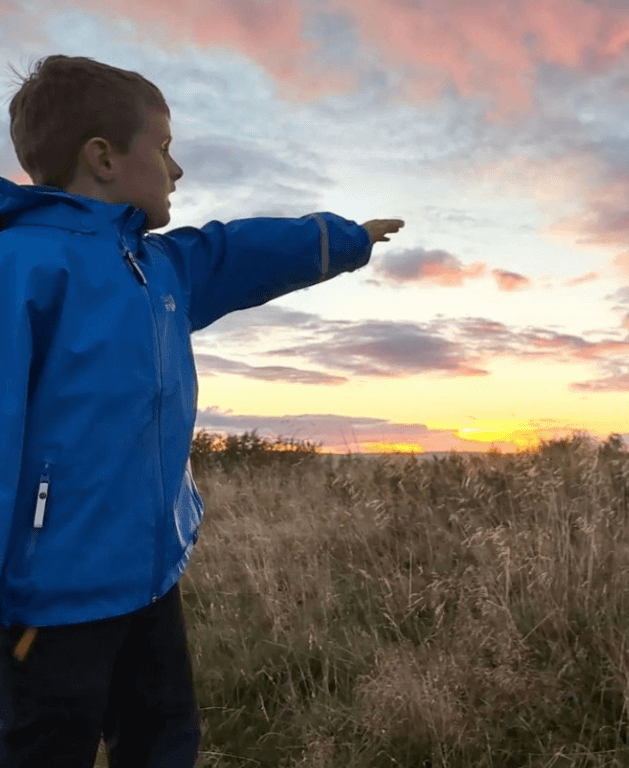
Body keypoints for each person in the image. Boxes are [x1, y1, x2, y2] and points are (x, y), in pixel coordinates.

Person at [0, 55, 404, 766]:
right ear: (102, 157)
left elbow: (242, 251)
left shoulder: (162, 267)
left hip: (149, 582)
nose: (177, 169)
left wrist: (348, 239)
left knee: (165, 742)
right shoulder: (24, 265)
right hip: (49, 603)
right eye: (162, 147)